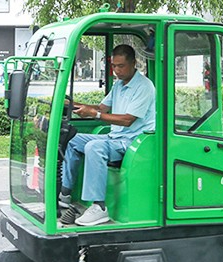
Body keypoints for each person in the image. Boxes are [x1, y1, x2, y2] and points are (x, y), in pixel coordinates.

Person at [59, 44, 156, 226]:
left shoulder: (144, 87)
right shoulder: (119, 85)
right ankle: (65, 193)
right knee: (72, 139)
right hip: (114, 138)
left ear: (134, 63)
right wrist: (72, 105)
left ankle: (99, 207)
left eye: (121, 66)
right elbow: (102, 108)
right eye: (114, 66)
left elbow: (128, 120)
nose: (117, 71)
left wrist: (94, 114)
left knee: (94, 147)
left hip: (134, 142)